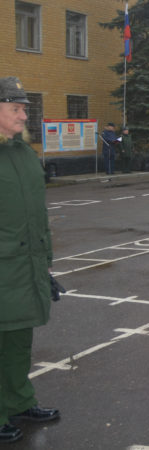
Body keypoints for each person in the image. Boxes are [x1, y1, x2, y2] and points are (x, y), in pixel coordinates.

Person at [0, 77, 60, 444]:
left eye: (25, 108)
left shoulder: (22, 152)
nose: (25, 115)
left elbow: (38, 213)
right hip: (3, 263)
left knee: (18, 338)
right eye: (16, 109)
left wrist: (46, 258)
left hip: (27, 262)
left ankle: (19, 400)